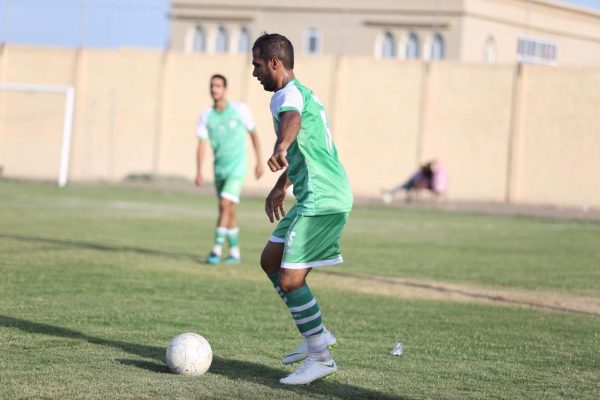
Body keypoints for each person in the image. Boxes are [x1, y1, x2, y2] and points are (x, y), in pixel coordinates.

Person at [251, 33, 353, 385]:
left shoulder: (288, 96)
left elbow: (292, 120)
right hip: (313, 196)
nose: (254, 72)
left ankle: (320, 357)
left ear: (275, 63)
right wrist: (281, 186)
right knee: (270, 260)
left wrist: (281, 145)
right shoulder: (299, 93)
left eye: (257, 65)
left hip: (324, 199)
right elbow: (306, 150)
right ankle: (317, 334)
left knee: (291, 279)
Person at [195, 74, 264, 264]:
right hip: (219, 169)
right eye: (212, 86)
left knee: (225, 204)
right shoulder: (206, 115)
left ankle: (216, 250)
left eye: (218, 86)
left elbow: (254, 135)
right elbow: (201, 145)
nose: (214, 89)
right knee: (229, 209)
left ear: (225, 89)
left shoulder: (240, 109)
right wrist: (199, 171)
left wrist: (259, 161)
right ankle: (234, 253)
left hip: (237, 167)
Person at [383, 159, 447, 203]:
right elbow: (414, 181)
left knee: (406, 186)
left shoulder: (434, 174)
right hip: (414, 183)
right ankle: (391, 193)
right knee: (405, 186)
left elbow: (435, 184)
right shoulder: (420, 173)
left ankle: (391, 193)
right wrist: (419, 184)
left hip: (430, 187)